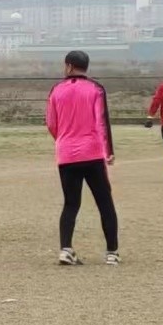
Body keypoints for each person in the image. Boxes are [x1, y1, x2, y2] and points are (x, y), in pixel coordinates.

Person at [46, 50, 118, 266]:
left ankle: (66, 249)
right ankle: (112, 252)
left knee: (71, 203)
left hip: (66, 155)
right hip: (92, 153)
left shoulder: (56, 90)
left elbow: (51, 122)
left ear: (68, 66)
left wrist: (63, 139)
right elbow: (101, 122)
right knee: (105, 202)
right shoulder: (96, 89)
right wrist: (108, 151)